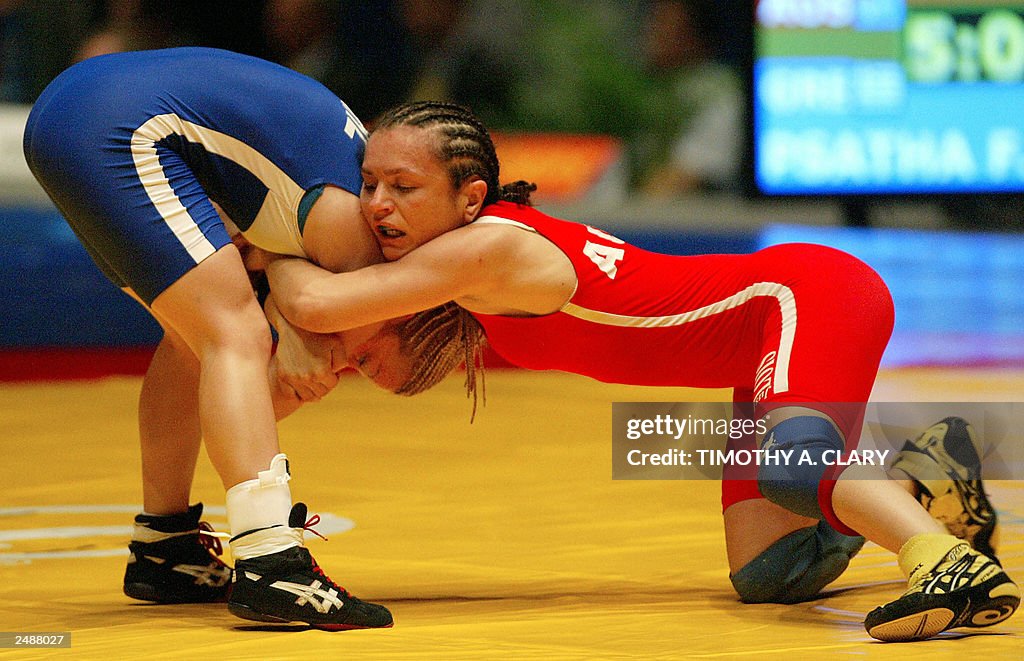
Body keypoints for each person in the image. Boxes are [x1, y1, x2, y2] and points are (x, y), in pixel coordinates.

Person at [263, 101, 1021, 641]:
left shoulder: (484, 248)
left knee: (794, 466)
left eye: (403, 187)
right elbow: (380, 361)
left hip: (800, 296)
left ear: (469, 198)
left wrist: (270, 248)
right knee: (772, 573)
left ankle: (951, 565)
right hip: (754, 347)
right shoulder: (457, 265)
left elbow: (325, 304)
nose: (375, 206)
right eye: (369, 185)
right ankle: (925, 476)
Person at [22, 51, 470, 631]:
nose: (343, 365)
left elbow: (263, 253)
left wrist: (293, 327)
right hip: (119, 124)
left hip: (79, 107)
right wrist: (296, 334)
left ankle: (167, 547)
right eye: (363, 357)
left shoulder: (357, 217)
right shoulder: (359, 242)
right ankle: (270, 560)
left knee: (195, 339)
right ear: (401, 312)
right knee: (235, 335)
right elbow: (285, 340)